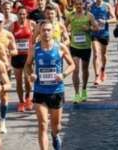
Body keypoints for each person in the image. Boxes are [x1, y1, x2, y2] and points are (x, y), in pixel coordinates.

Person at [25, 20, 75, 150]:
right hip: (40, 91)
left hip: (56, 91)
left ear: (53, 32)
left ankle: (54, 135)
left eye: (48, 30)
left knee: (56, 126)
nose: (46, 33)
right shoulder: (34, 48)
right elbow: (27, 65)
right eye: (43, 30)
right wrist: (31, 74)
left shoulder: (61, 47)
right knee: (42, 125)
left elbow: (72, 65)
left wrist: (63, 75)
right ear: (39, 32)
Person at [66, 0, 97, 103]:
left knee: (85, 69)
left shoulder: (89, 16)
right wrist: (67, 34)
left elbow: (96, 28)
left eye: (80, 4)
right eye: (77, 4)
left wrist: (89, 29)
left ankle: (84, 89)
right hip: (74, 46)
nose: (78, 6)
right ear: (74, 5)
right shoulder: (71, 16)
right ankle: (76, 94)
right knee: (75, 69)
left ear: (84, 4)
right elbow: (64, 28)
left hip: (86, 47)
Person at [11, 7, 35, 112]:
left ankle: (28, 98)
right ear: (17, 15)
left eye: (24, 14)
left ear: (26, 15)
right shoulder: (13, 25)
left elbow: (37, 35)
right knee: (19, 81)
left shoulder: (31, 24)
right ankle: (21, 102)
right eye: (20, 14)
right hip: (17, 56)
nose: (22, 16)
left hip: (28, 56)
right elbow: (9, 38)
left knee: (28, 80)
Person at [89, 0, 113, 85]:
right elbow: (87, 19)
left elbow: (115, 19)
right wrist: (90, 26)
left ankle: (103, 70)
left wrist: (105, 22)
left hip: (104, 34)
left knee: (103, 55)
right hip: (94, 34)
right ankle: (97, 76)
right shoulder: (91, 7)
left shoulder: (107, 6)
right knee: (95, 54)